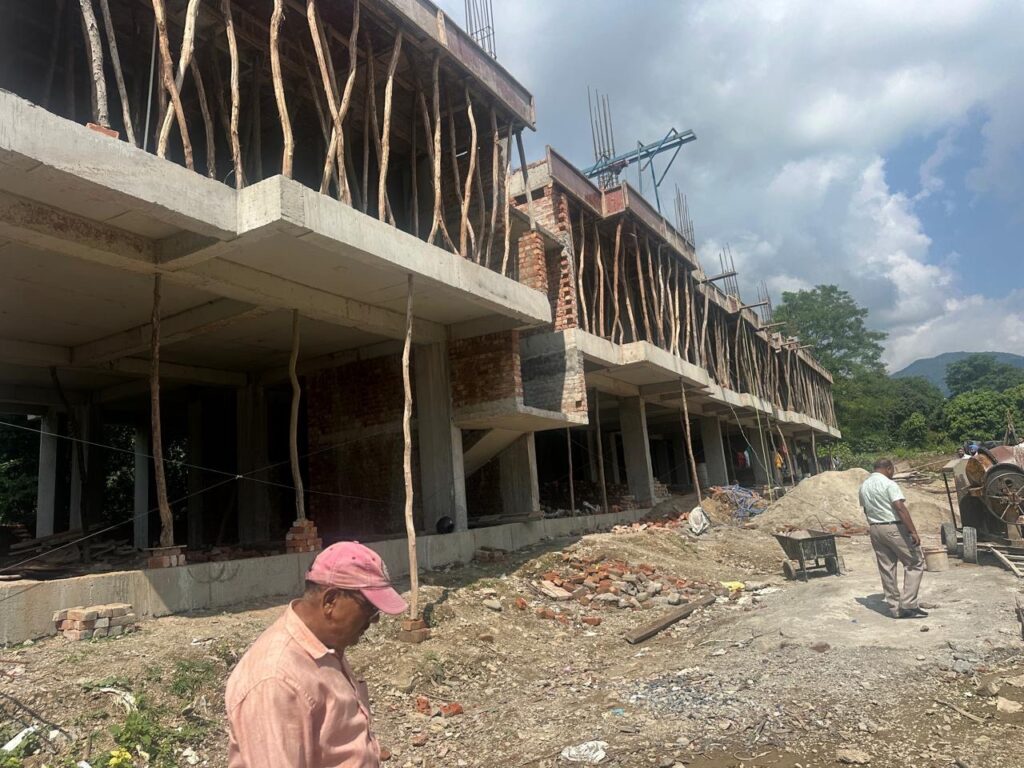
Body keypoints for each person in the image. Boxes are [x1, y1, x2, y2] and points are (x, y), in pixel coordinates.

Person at [226, 542, 408, 767]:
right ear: (330, 601)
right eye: (370, 608)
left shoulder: (324, 644)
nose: (375, 620)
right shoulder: (275, 680)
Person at [858, 458, 927, 619]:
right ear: (889, 468)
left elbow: (866, 510)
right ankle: (908, 604)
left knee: (887, 567)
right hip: (893, 527)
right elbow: (899, 507)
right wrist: (912, 531)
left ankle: (895, 608)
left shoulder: (864, 486)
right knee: (915, 562)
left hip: (875, 528)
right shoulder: (889, 484)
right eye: (893, 470)